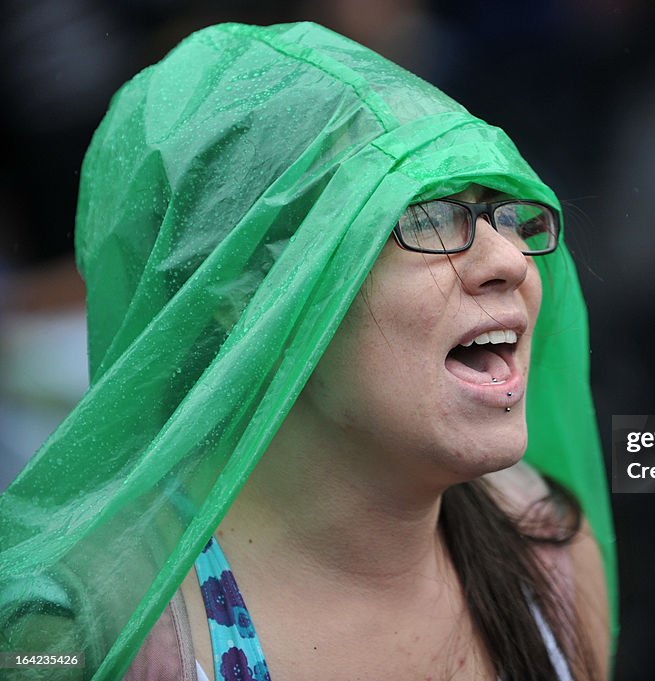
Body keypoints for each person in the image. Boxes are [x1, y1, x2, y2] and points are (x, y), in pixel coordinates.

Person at [0, 21, 615, 681]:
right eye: (427, 216)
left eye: (503, 212)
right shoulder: (81, 633)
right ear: (249, 296)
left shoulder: (546, 554)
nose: (511, 259)